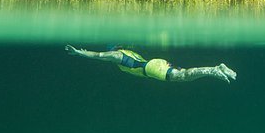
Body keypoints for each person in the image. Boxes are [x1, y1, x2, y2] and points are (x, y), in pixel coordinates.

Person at [65, 45, 237, 84]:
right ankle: (214, 70)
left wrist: (79, 53)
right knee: (183, 75)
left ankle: (215, 69)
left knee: (182, 76)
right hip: (154, 65)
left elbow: (99, 55)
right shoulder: (128, 52)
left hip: (151, 68)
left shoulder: (116, 55)